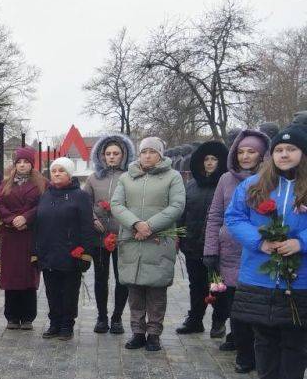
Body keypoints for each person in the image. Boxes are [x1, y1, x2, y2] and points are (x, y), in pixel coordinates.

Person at [226, 123, 307, 379]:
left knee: (295, 336)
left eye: (291, 149)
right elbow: (234, 218)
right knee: (264, 334)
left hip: (299, 278)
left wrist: (300, 243)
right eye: (279, 150)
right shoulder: (255, 186)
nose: (284, 154)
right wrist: (260, 242)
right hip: (259, 273)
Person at [204, 128, 270, 372]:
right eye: (241, 152)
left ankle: (255, 350)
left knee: (257, 308)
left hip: (259, 254)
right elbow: (215, 216)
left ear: (262, 155)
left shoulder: (272, 180)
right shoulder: (225, 180)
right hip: (229, 253)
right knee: (235, 307)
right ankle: (243, 351)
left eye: (251, 152)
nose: (245, 156)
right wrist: (211, 249)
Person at [111, 136, 186, 352]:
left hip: (158, 240)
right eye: (144, 152)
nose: (147, 155)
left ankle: (154, 333)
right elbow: (117, 204)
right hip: (132, 240)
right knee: (134, 290)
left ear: (160, 155)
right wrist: (135, 224)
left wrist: (149, 226)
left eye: (152, 152)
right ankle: (137, 332)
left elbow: (177, 206)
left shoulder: (173, 177)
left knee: (156, 291)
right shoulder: (127, 178)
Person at [32, 158, 95, 340]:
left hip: (71, 254)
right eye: (54, 171)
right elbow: (37, 225)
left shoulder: (80, 196)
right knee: (51, 291)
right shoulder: (45, 195)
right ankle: (54, 323)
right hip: (48, 253)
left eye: (61, 170)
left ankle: (67, 325)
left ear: (69, 174)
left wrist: (85, 254)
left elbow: (87, 226)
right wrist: (34, 252)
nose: (57, 174)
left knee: (68, 292)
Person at [83, 133, 135, 334]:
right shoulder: (94, 179)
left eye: (116, 153)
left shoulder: (130, 177)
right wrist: (92, 218)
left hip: (123, 236)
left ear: (124, 155)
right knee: (100, 277)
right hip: (100, 236)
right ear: (101, 156)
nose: (112, 157)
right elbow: (84, 202)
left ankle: (117, 318)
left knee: (122, 278)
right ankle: (102, 317)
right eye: (108, 153)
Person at [176, 140, 229, 336]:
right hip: (192, 244)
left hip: (217, 247)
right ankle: (195, 319)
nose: (209, 163)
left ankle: (218, 321)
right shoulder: (191, 186)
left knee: (217, 285)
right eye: (206, 159)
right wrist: (181, 236)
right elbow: (183, 213)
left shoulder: (225, 184)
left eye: (213, 159)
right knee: (196, 284)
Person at [0, 147, 47, 330]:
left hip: (29, 235)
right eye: (19, 162)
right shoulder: (6, 183)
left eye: (26, 162)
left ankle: (27, 317)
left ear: (31, 164)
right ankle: (11, 316)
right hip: (10, 236)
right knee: (11, 276)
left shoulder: (41, 183)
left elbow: (43, 206)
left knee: (28, 275)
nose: (22, 165)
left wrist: (26, 218)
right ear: (15, 165)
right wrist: (12, 219)